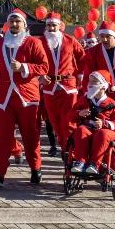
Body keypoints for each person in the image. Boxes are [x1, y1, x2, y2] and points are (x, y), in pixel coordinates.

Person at [0, 9, 49, 188]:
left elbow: (44, 66)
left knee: (30, 136)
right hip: (4, 97)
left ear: (24, 25)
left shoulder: (33, 42)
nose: (14, 24)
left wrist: (24, 67)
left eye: (17, 21)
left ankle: (36, 168)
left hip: (27, 97)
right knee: (3, 136)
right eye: (11, 21)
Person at [80, 21, 115, 145]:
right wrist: (88, 94)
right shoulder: (93, 52)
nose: (104, 39)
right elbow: (88, 76)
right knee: (103, 125)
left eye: (108, 36)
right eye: (102, 36)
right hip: (103, 95)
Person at [40, 12, 83, 157]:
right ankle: (65, 146)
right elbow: (32, 60)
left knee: (70, 120)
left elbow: (82, 57)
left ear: (60, 26)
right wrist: (40, 76)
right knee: (54, 121)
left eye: (54, 25)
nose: (51, 28)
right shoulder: (40, 42)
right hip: (49, 86)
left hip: (68, 85)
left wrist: (79, 74)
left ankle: (70, 151)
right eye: (48, 25)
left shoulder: (70, 40)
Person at [69, 71, 115, 175]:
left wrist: (105, 124)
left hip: (106, 131)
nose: (90, 84)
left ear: (103, 87)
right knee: (80, 130)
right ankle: (80, 161)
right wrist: (79, 113)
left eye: (94, 82)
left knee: (102, 134)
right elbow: (70, 115)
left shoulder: (111, 103)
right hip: (88, 128)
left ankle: (95, 164)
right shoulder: (84, 100)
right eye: (90, 82)